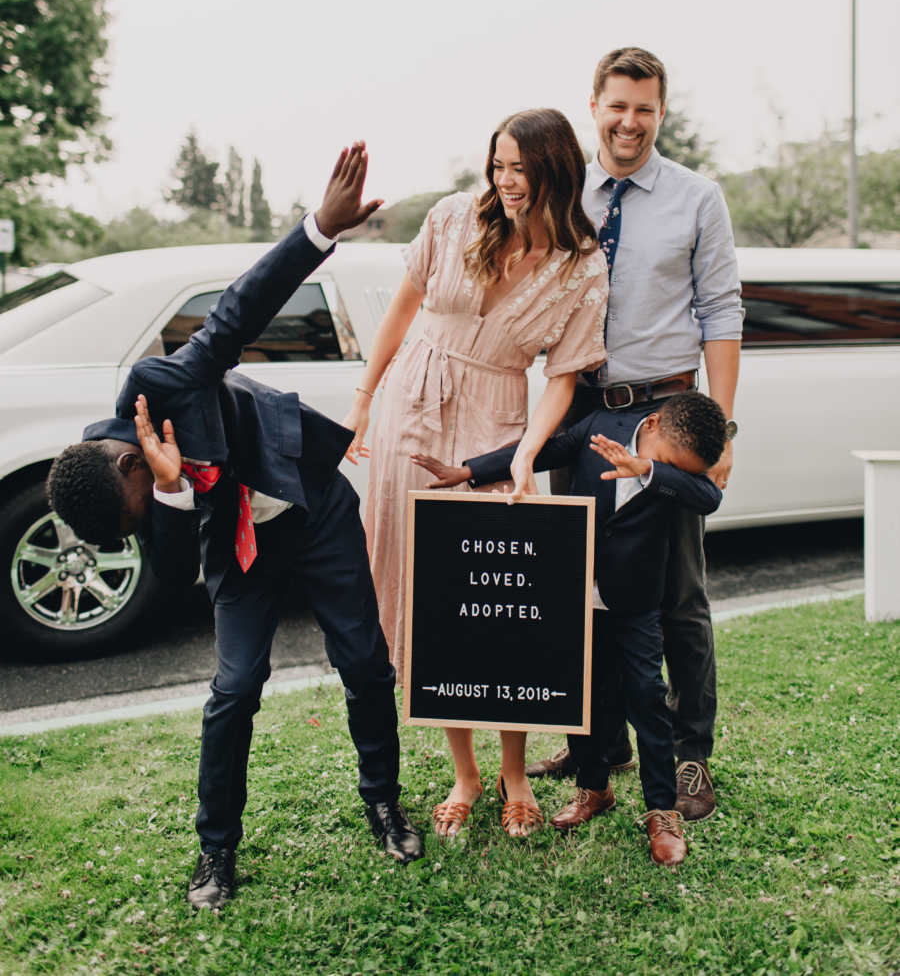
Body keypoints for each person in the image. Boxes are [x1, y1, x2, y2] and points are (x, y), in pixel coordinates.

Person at [46, 144, 425, 912]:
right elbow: (181, 567)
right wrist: (174, 490)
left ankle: (382, 800)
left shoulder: (162, 386)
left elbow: (236, 313)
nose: (144, 513)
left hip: (311, 506)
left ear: (121, 471)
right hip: (240, 548)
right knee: (234, 688)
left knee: (364, 660)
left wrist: (320, 228)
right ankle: (215, 850)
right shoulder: (133, 488)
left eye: (139, 507)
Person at [343, 108, 608, 838]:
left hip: (496, 410)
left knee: (501, 597)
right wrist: (366, 401)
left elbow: (565, 374)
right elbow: (402, 310)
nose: (505, 181)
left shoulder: (582, 263)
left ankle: (515, 771)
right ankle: (465, 772)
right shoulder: (455, 217)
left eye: (520, 168)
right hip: (413, 398)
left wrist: (526, 451)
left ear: (557, 169)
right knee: (430, 594)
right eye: (498, 165)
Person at [528, 48, 743, 822]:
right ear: (593, 105)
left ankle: (689, 757)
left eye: (644, 108)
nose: (630, 121)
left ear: (661, 112)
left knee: (677, 599)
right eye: (617, 105)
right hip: (582, 413)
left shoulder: (696, 198)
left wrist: (719, 434)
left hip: (663, 414)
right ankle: (599, 747)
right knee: (582, 591)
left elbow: (722, 312)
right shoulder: (565, 193)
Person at [412, 389, 726, 867]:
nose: (676, 472)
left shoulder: (674, 471)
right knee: (584, 694)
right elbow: (544, 452)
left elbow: (708, 497)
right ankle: (593, 789)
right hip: (576, 589)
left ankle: (661, 812)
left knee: (647, 695)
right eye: (668, 461)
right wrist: (470, 471)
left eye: (681, 469)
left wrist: (652, 471)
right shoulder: (603, 427)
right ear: (656, 423)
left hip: (636, 601)